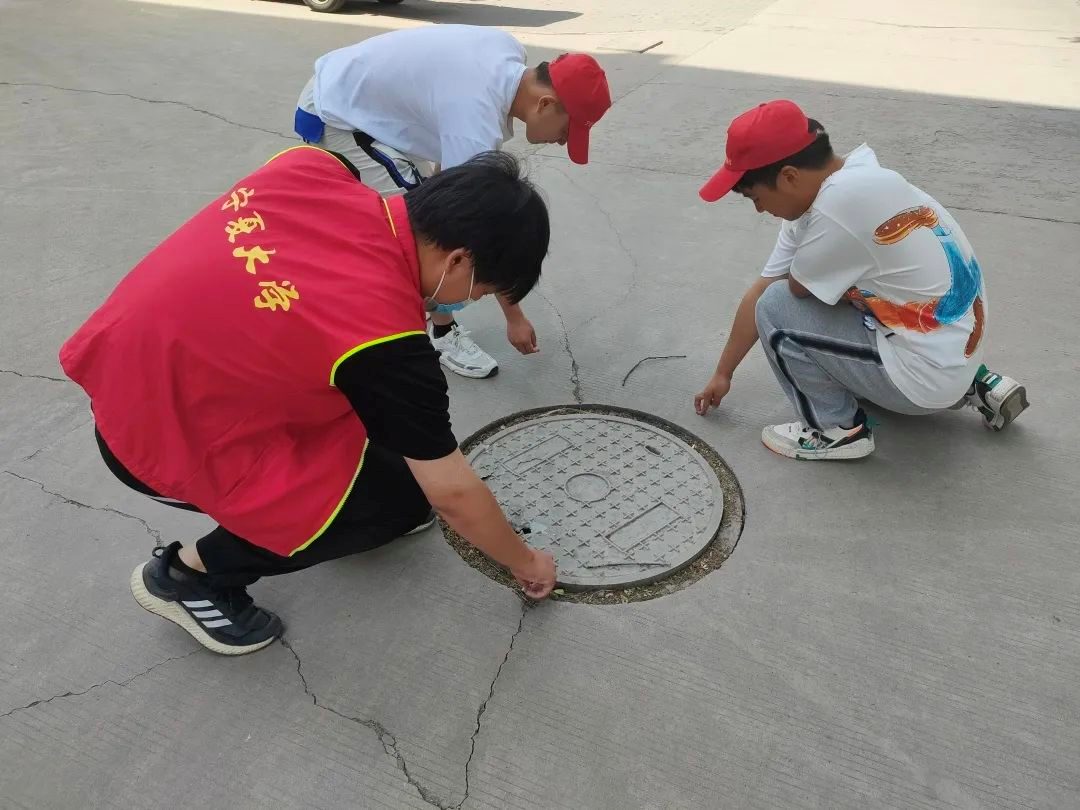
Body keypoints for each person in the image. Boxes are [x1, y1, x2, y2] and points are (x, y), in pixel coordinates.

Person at [59, 146, 558, 655]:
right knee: (393, 502)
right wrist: (524, 561)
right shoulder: (385, 338)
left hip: (129, 368)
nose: (468, 300)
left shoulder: (312, 167)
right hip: (152, 439)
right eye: (478, 291)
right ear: (458, 260)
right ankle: (190, 576)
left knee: (405, 486)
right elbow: (452, 493)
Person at [694, 100, 1028, 460]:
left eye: (756, 197)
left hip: (925, 379)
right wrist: (723, 373)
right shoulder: (857, 178)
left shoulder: (836, 208)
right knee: (852, 291)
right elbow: (762, 284)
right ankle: (978, 385)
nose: (760, 209)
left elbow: (787, 294)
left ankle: (836, 430)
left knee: (780, 306)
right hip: (957, 352)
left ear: (789, 177)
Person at [294, 24, 611, 379]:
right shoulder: (474, 123)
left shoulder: (506, 49)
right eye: (566, 131)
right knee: (416, 236)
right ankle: (438, 333)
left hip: (369, 99)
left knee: (424, 209)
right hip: (338, 113)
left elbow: (450, 173)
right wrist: (515, 317)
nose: (561, 142)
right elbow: (472, 229)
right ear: (546, 104)